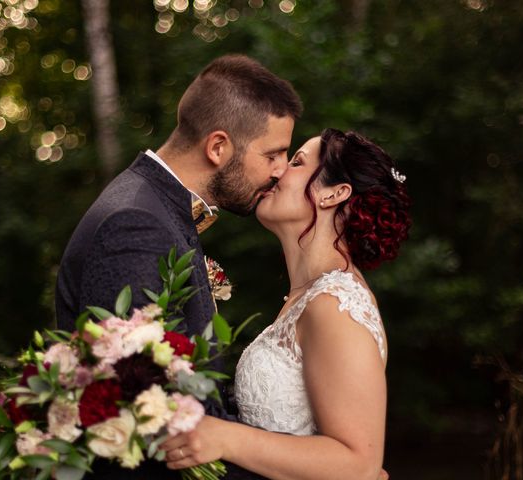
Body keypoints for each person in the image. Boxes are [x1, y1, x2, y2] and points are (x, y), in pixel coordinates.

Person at [54, 54, 302, 479]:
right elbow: (141, 418)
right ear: (218, 147)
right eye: (274, 154)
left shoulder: (153, 205)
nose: (280, 171)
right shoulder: (136, 222)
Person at [161, 128, 411, 480]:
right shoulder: (307, 298)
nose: (277, 171)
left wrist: (226, 438)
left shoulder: (334, 305)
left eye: (296, 162)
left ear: (334, 194)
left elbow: (358, 465)